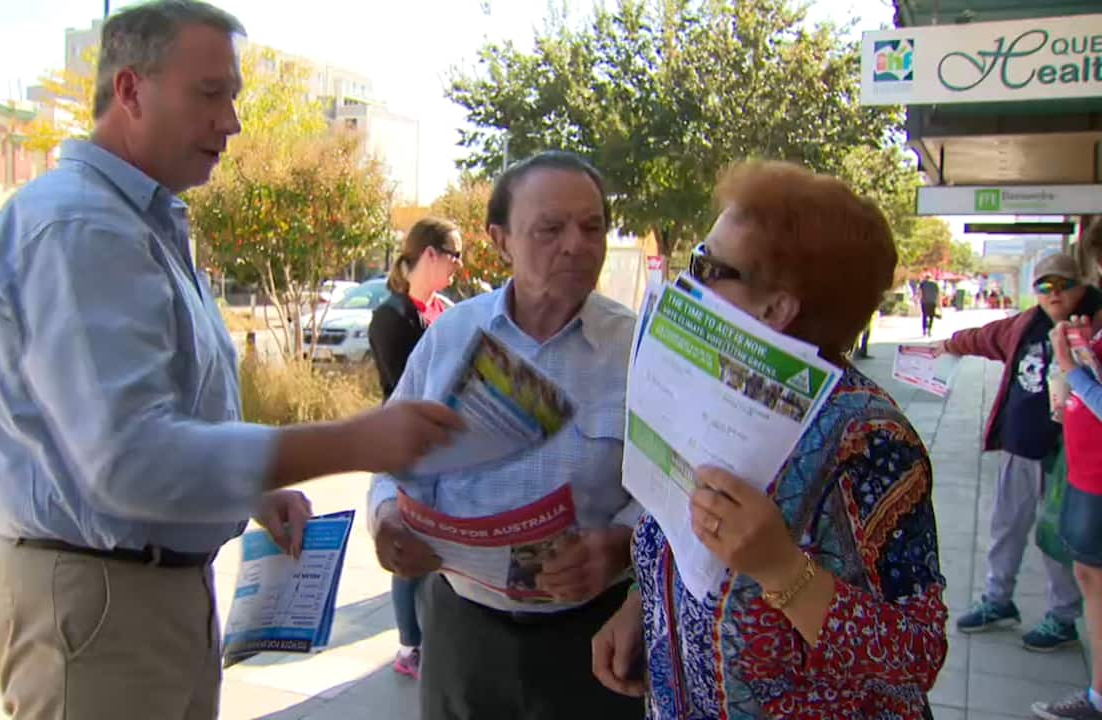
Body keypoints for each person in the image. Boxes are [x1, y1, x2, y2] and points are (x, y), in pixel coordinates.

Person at [0, 3, 461, 719]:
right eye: (210, 93)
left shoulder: (142, 222)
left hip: (145, 595)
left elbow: (165, 415)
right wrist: (354, 440)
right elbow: (130, 458)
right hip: (101, 604)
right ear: (130, 91)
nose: (231, 121)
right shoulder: (81, 226)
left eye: (233, 97)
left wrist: (251, 493)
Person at [591, 161, 947, 717]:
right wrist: (642, 604)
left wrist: (782, 568)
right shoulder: (702, 391)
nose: (687, 283)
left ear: (777, 308)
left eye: (707, 267)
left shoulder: (870, 440)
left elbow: (914, 655)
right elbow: (675, 536)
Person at [367, 151, 644, 720]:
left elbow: (677, 490)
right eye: (550, 229)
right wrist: (388, 519)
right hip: (462, 633)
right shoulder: (450, 338)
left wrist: (622, 542)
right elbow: (390, 456)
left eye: (592, 227)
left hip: (593, 640)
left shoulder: (639, 350)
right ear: (501, 241)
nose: (576, 244)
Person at [938, 253, 1102, 652]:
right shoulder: (1025, 325)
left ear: (1082, 285)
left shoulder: (1093, 326)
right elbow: (984, 336)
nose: (1054, 294)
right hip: (1020, 445)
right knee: (1006, 526)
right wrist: (945, 343)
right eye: (1045, 286)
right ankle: (997, 600)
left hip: (1067, 457)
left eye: (1063, 284)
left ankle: (1063, 617)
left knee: (1057, 539)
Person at [367, 216, 465, 680]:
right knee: (408, 542)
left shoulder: (442, 309)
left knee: (436, 546)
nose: (458, 268)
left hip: (445, 447)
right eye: (454, 256)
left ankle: (432, 634)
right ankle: (410, 645)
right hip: (405, 446)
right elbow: (408, 382)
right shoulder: (392, 317)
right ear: (429, 255)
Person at [1033, 315, 1102, 719]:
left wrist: (1070, 366)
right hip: (1085, 471)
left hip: (1096, 479)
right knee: (1088, 577)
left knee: (1093, 579)